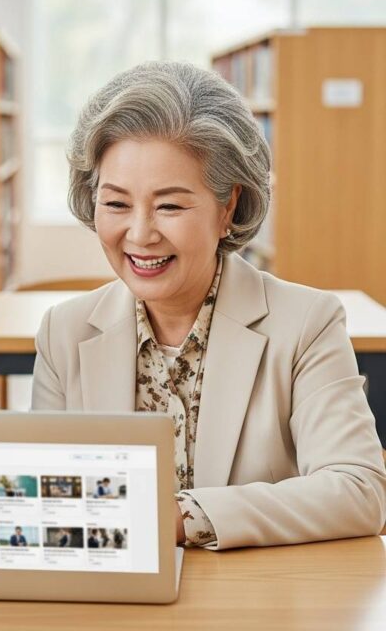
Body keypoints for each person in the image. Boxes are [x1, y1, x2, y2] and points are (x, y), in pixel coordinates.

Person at [32, 61, 386, 550]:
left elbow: (359, 490)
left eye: (170, 206)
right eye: (115, 204)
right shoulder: (64, 332)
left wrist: (184, 517)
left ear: (228, 208)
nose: (139, 234)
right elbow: (50, 500)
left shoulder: (306, 324)